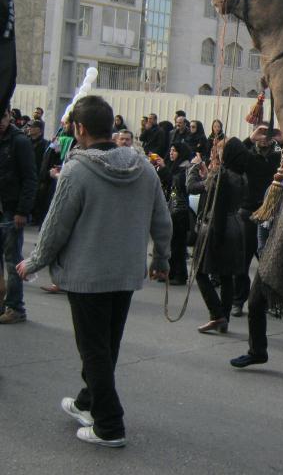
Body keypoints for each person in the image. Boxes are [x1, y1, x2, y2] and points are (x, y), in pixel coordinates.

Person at [16, 95, 171, 447]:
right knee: (106, 345)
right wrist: (161, 257)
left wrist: (34, 261)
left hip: (88, 274)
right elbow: (162, 218)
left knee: (94, 349)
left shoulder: (77, 170)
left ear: (80, 129)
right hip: (125, 274)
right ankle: (88, 401)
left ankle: (109, 424)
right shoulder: (145, 167)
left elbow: (56, 225)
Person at [189, 138, 248, 333]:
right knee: (226, 276)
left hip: (218, 225)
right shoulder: (241, 176)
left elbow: (216, 207)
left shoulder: (221, 176)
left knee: (200, 271)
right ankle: (224, 317)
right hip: (236, 226)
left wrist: (196, 170)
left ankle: (217, 315)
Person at [235, 125, 282, 316]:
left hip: (269, 214)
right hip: (248, 212)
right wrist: (250, 138)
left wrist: (282, 141)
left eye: (267, 134)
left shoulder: (277, 157)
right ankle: (238, 301)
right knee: (243, 260)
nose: (264, 138)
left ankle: (270, 302)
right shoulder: (248, 156)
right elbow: (234, 159)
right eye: (261, 134)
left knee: (268, 261)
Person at [0, 106, 36, 323]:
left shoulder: (19, 141)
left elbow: (30, 178)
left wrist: (22, 211)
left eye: (3, 116)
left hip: (12, 211)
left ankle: (15, 307)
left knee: (12, 261)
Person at [156, 142, 193, 285]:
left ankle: (180, 274)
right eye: (170, 150)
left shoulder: (185, 167)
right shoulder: (174, 165)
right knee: (170, 243)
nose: (171, 153)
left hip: (180, 211)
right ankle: (169, 272)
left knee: (178, 244)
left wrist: (165, 169)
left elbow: (176, 183)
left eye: (174, 151)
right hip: (170, 208)